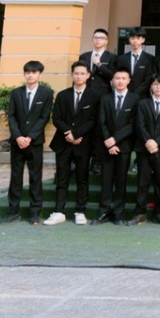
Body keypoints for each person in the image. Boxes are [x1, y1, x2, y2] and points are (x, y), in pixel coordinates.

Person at [0, 60, 54, 225]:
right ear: (24, 74)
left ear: (40, 75)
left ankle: (35, 212)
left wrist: (29, 137)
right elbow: (12, 116)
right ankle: (13, 211)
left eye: (34, 72)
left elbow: (44, 117)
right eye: (28, 72)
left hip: (34, 142)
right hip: (18, 142)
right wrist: (17, 136)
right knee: (16, 177)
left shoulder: (46, 93)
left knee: (35, 177)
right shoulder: (16, 93)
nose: (30, 75)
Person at [45, 62, 99, 226]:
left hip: (83, 143)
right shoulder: (63, 95)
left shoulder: (94, 96)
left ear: (88, 75)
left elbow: (93, 120)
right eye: (76, 73)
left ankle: (80, 211)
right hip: (63, 142)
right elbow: (57, 118)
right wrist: (69, 133)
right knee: (62, 178)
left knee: (82, 178)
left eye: (83, 73)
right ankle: (59, 211)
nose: (79, 76)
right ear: (72, 74)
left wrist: (76, 134)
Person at [94, 69, 137, 225]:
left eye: (123, 78)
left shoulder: (134, 99)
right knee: (105, 181)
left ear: (128, 80)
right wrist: (108, 140)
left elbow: (133, 124)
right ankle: (103, 211)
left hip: (123, 147)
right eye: (117, 78)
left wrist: (115, 140)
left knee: (121, 181)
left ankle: (119, 213)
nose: (120, 81)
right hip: (106, 146)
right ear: (112, 80)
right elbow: (101, 121)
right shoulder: (105, 99)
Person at [133, 74, 160, 225]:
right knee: (142, 181)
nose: (158, 87)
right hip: (144, 148)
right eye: (155, 84)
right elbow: (140, 124)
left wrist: (157, 142)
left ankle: (159, 212)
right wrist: (149, 141)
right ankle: (140, 213)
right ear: (151, 86)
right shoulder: (142, 103)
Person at [117, 27, 158, 98]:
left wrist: (136, 93)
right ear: (129, 39)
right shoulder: (122, 58)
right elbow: (119, 76)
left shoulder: (149, 58)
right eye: (132, 38)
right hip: (125, 94)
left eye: (138, 38)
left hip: (143, 96)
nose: (135, 41)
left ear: (143, 40)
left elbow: (148, 79)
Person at [79, 28, 117, 97]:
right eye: (95, 37)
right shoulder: (84, 56)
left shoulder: (112, 57)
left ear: (106, 41)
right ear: (92, 39)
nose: (98, 40)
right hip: (86, 90)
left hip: (103, 92)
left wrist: (99, 65)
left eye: (101, 38)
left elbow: (112, 75)